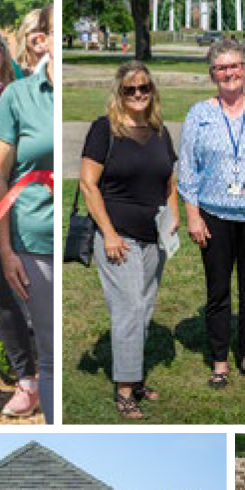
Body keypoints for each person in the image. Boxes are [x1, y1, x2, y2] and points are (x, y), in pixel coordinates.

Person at [178, 36, 245, 390]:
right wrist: (192, 215)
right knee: (218, 292)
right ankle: (220, 361)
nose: (229, 73)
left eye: (235, 66)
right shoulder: (200, 115)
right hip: (214, 217)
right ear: (212, 75)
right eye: (221, 67)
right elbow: (188, 170)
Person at [79, 60, 178, 418]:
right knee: (130, 309)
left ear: (152, 92)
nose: (138, 95)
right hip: (118, 237)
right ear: (119, 94)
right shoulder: (104, 130)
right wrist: (107, 233)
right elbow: (88, 185)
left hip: (154, 237)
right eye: (130, 90)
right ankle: (124, 389)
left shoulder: (159, 131)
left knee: (145, 308)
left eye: (144, 88)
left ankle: (135, 379)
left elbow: (169, 181)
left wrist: (175, 214)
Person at [0, 25, 52, 421]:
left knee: (41, 315)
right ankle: (28, 380)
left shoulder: (23, 86)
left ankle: (43, 380)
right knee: (0, 297)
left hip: (39, 220)